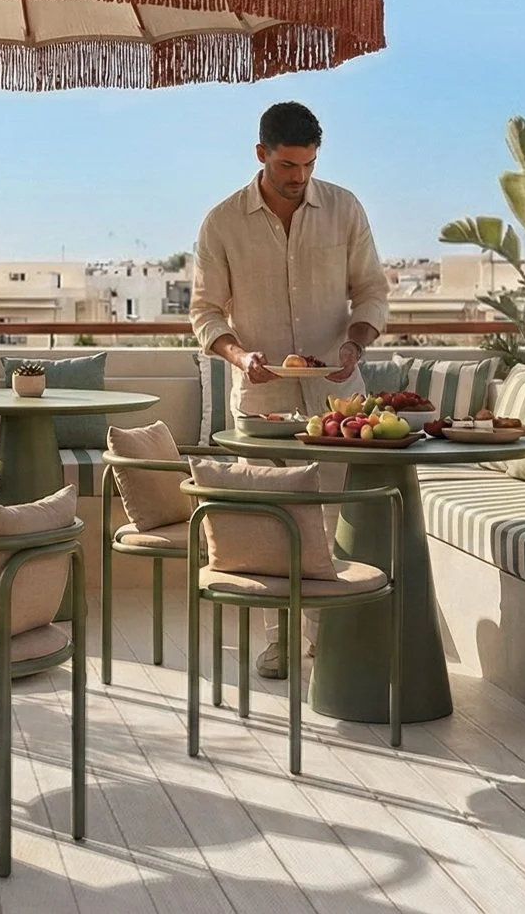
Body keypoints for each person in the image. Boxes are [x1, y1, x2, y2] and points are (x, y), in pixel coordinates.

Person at [190, 100, 389, 678]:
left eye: (308, 165)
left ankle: (328, 643)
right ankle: (280, 641)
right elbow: (205, 312)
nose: (299, 177)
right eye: (287, 166)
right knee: (272, 524)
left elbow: (371, 291)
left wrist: (355, 346)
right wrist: (239, 355)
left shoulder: (345, 209)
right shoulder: (221, 222)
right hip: (261, 401)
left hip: (338, 398)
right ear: (261, 154)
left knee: (331, 521)